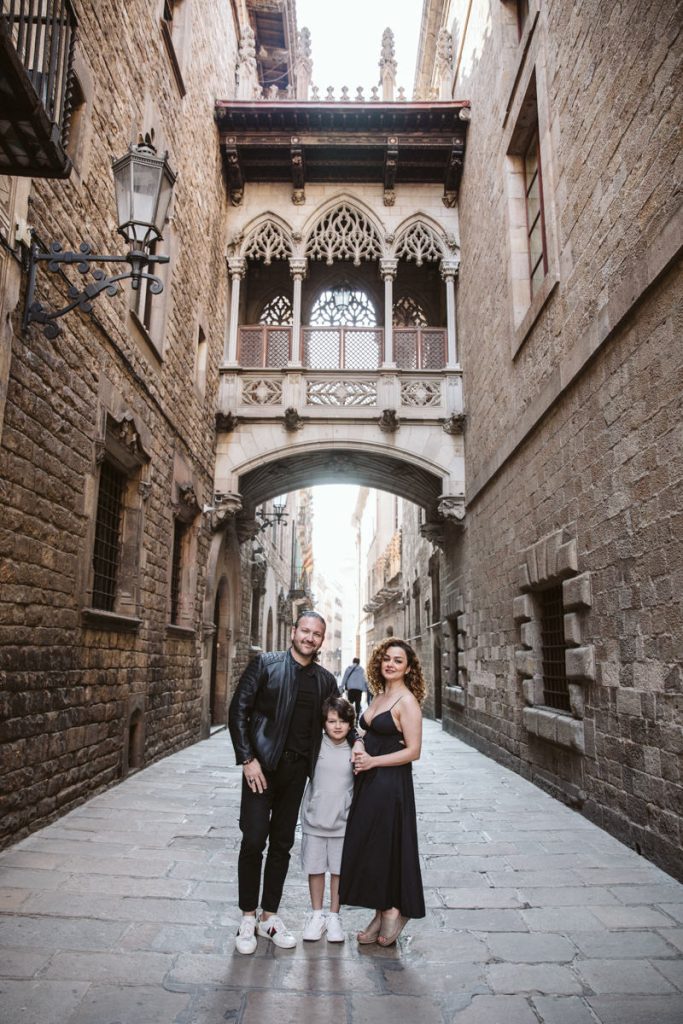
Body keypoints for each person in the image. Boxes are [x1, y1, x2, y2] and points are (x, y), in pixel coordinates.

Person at [228, 610, 353, 955]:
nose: (310, 638)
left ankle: (269, 916)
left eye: (317, 634)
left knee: (282, 844)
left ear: (321, 641)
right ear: (293, 632)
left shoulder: (326, 681)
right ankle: (247, 917)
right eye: (305, 631)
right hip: (261, 770)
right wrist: (247, 759)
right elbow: (238, 711)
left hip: (296, 774)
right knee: (254, 841)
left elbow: (338, 721)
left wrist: (361, 745)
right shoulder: (265, 665)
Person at [339, 637, 426, 946]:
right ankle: (380, 910)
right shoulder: (378, 695)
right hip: (369, 781)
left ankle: (393, 911)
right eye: (386, 658)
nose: (390, 663)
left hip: (390, 784)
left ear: (408, 668)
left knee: (385, 845)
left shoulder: (407, 701)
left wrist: (373, 760)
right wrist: (360, 743)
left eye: (398, 660)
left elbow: (413, 751)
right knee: (372, 846)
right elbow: (365, 730)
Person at [299, 694, 355, 943]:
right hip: (315, 818)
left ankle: (334, 916)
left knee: (339, 871)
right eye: (332, 721)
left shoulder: (355, 749)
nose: (337, 726)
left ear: (351, 724)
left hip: (342, 822)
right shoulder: (315, 746)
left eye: (343, 721)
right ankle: (317, 914)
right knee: (315, 867)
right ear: (324, 723)